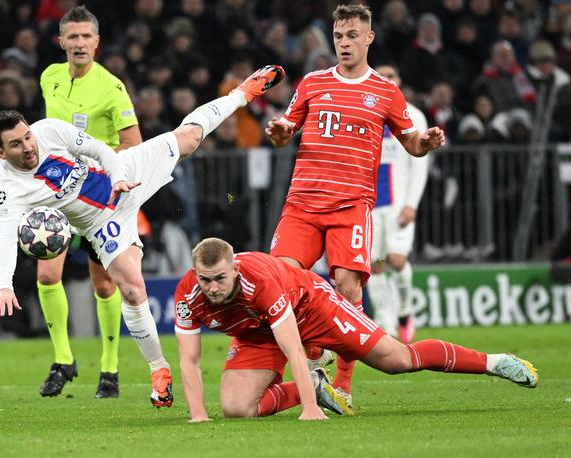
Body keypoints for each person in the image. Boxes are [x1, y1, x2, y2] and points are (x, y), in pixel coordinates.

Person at [0, 64, 286, 407]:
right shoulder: (9, 188)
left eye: (26, 136)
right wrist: (4, 285)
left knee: (188, 137)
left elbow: (100, 151)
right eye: (16, 144)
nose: (28, 145)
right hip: (101, 223)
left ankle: (242, 93)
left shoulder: (49, 130)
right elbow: (6, 236)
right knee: (130, 288)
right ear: (0, 152)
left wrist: (116, 176)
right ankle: (159, 372)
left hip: (123, 174)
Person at [264, 3, 445, 404]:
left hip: (351, 208)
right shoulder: (312, 82)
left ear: (369, 38)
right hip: (303, 205)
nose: (344, 43)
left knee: (347, 289)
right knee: (282, 285)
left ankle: (342, 386)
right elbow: (285, 132)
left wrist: (426, 143)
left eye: (351, 36)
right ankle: (312, 360)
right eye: (338, 36)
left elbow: (410, 143)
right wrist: (278, 132)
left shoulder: (385, 91)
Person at [174, 238, 539, 422]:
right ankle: (315, 388)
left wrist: (310, 413)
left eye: (220, 278)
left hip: (313, 308)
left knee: (398, 360)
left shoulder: (261, 280)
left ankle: (494, 362)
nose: (213, 287)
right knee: (237, 408)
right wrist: (198, 416)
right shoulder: (189, 295)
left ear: (235, 268)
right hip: (257, 332)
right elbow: (189, 361)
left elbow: (292, 348)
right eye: (206, 280)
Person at [33, 6, 143, 399]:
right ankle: (63, 360)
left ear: (97, 42)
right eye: (72, 37)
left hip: (97, 197)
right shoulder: (49, 78)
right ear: (61, 41)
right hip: (57, 193)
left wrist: (94, 159)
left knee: (104, 284)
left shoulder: (111, 88)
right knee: (47, 276)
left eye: (86, 37)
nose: (79, 44)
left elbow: (133, 143)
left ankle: (110, 369)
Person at [367, 64, 430, 344]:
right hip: (370, 208)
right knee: (376, 264)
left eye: (391, 76)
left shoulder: (413, 116)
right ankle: (386, 324)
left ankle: (405, 312)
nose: (387, 81)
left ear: (399, 79)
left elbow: (420, 166)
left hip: (398, 207)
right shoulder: (367, 111)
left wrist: (412, 204)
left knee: (397, 259)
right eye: (382, 77)